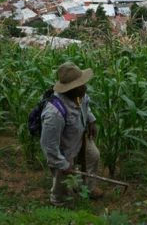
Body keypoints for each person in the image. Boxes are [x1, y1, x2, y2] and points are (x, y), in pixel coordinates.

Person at [40, 62, 103, 206]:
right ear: (69, 89)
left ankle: (88, 188)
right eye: (80, 85)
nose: (84, 87)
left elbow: (85, 105)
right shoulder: (54, 113)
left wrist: (91, 120)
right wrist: (62, 164)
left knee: (93, 156)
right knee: (63, 177)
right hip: (63, 148)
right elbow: (48, 145)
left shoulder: (79, 95)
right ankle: (59, 202)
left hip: (79, 137)